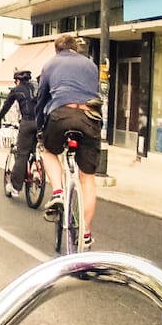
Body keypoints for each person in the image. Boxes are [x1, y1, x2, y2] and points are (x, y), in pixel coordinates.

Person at [36, 33, 101, 247]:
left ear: (57, 49)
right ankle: (86, 233)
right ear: (76, 49)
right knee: (87, 178)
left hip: (61, 115)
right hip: (90, 117)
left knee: (48, 151)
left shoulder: (51, 64)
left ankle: (58, 193)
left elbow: (42, 98)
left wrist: (39, 126)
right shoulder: (91, 65)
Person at [0, 70, 38, 198]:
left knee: (22, 154)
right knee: (35, 150)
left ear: (17, 80)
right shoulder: (36, 88)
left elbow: (6, 106)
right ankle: (36, 170)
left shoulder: (17, 90)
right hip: (41, 123)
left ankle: (15, 187)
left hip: (27, 122)